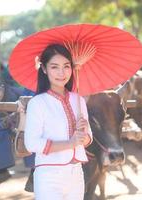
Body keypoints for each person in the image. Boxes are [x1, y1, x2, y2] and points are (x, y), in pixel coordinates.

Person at [24, 44, 93, 200]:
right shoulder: (38, 103)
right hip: (49, 176)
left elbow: (88, 138)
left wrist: (84, 135)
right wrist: (71, 142)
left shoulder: (79, 100)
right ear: (44, 69)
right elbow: (32, 143)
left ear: (72, 68)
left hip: (77, 173)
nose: (62, 73)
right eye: (54, 67)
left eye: (66, 66)